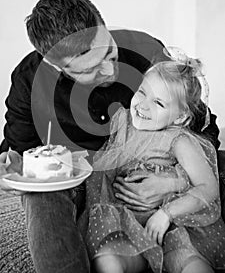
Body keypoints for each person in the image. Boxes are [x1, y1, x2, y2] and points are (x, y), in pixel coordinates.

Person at [0, 0, 221, 273]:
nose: (110, 69)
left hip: (158, 169)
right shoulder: (29, 79)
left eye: (109, 52)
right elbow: (17, 152)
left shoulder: (145, 50)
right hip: (82, 181)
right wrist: (9, 168)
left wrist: (174, 181)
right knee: (41, 194)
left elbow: (201, 126)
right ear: (54, 65)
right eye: (91, 69)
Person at [82, 57, 225, 273]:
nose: (143, 105)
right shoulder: (122, 123)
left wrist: (166, 214)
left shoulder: (179, 140)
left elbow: (209, 187)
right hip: (128, 220)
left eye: (158, 103)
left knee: (187, 260)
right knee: (107, 257)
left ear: (180, 117)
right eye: (142, 92)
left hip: (174, 224)